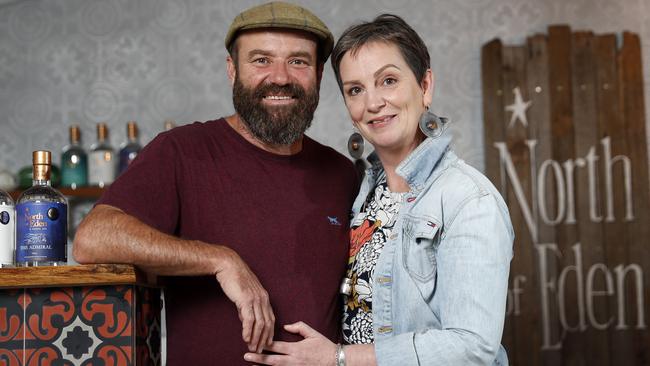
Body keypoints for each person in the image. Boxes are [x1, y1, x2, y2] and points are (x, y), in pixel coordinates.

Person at [73, 2, 358, 365]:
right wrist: (221, 260)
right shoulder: (181, 152)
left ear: (318, 74)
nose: (281, 77)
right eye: (261, 60)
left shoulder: (341, 173)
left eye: (298, 61)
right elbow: (93, 238)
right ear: (231, 69)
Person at [244, 14, 514, 366]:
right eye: (355, 89)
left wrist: (338, 358)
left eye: (388, 80)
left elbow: (472, 346)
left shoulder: (468, 200)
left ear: (425, 86)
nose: (373, 103)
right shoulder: (363, 195)